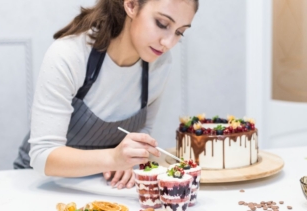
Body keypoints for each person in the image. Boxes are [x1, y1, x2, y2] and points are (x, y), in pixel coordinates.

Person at [13, 0, 198, 190]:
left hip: (102, 186)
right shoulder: (69, 53)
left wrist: (130, 157)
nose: (168, 43)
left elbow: (143, 129)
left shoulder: (161, 64)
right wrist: (113, 158)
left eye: (179, 32)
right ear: (132, 5)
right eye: (162, 24)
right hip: (40, 183)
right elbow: (43, 155)